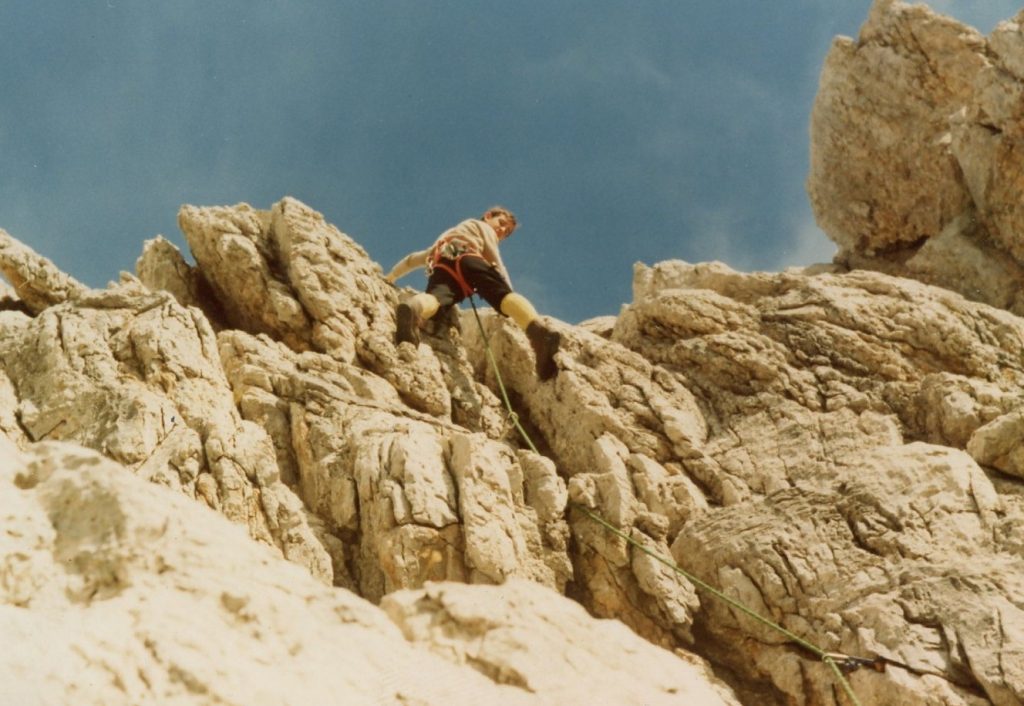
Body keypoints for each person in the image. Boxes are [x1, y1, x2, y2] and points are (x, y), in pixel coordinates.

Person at [385, 206, 561, 381]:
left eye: (505, 232)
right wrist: (506, 287)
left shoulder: (445, 239)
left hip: (443, 265)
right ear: (487, 216)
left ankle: (414, 309)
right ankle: (539, 333)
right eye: (501, 223)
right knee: (501, 296)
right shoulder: (481, 227)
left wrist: (391, 276)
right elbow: (495, 259)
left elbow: (412, 260)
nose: (501, 231)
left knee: (436, 298)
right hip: (470, 258)